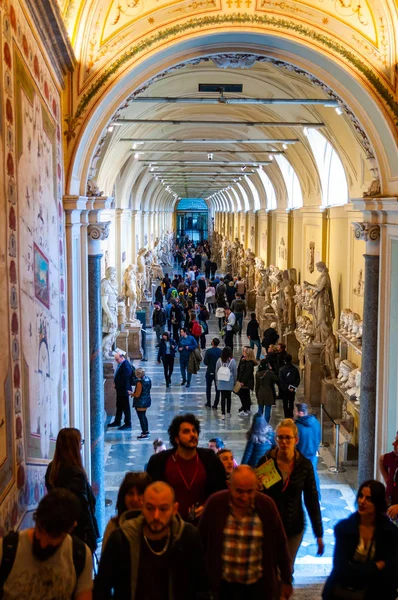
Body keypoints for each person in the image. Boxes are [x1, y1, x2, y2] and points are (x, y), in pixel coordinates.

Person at [94, 482, 211, 600]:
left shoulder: (188, 537)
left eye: (163, 509)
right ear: (142, 506)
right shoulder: (121, 539)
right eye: (150, 508)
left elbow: (201, 588)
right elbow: (102, 589)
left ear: (175, 509)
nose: (156, 516)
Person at [199, 466, 293, 600]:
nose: (245, 497)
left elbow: (281, 545)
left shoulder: (267, 506)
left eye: (250, 491)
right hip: (223, 588)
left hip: (258, 588)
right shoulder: (215, 504)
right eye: (239, 491)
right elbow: (200, 543)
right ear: (229, 486)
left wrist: (286, 580)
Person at [0, 489, 93, 600]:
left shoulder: (79, 555)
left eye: (54, 537)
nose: (43, 543)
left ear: (71, 528)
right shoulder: (6, 550)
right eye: (40, 531)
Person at [257, 418, 324, 570]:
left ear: (296, 440)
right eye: (280, 437)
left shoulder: (304, 465)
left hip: (293, 526)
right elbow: (257, 496)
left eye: (288, 437)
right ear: (276, 439)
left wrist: (318, 533)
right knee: (270, 568)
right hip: (269, 526)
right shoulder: (266, 461)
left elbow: (311, 500)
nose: (284, 441)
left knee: (287, 568)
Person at [322, 480, 398, 600]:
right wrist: (375, 567)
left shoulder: (390, 532)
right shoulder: (344, 529)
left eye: (368, 499)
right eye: (361, 496)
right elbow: (341, 569)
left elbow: (390, 569)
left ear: (377, 503)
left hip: (376, 593)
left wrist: (356, 570)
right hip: (344, 593)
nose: (362, 501)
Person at [146, 413, 226, 522]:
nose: (192, 435)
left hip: (203, 524)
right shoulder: (159, 462)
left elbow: (221, 492)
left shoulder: (210, 460)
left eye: (194, 431)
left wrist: (207, 506)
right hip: (170, 524)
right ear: (176, 439)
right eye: (186, 432)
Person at [45, 428, 99, 552]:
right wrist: (92, 538)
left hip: (58, 530)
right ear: (74, 445)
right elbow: (83, 508)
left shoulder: (51, 469)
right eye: (80, 442)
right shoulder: (75, 472)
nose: (81, 446)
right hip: (78, 534)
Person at [103, 471, 152, 548]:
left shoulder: (155, 527)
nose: (135, 499)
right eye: (130, 493)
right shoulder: (113, 526)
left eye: (140, 493)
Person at [295, 402, 322, 498]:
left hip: (301, 455)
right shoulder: (316, 422)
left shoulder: (297, 426)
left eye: (296, 411)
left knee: (298, 478)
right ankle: (317, 496)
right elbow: (319, 437)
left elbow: (296, 442)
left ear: (300, 413)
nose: (295, 412)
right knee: (313, 475)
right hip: (313, 453)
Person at [108, 350, 133, 430]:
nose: (116, 361)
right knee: (119, 406)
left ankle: (128, 423)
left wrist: (117, 384)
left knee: (126, 407)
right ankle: (117, 421)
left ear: (122, 358)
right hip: (120, 389)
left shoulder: (125, 366)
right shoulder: (122, 364)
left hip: (124, 390)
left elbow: (125, 380)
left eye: (117, 359)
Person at [128, 367, 152, 439]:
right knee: (144, 416)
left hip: (141, 402)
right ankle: (146, 431)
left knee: (141, 417)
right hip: (147, 399)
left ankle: (144, 433)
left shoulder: (139, 383)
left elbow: (137, 394)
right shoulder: (148, 379)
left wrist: (131, 393)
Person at [215, 346, 237, 419]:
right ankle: (228, 412)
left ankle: (223, 413)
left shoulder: (219, 361)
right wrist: (234, 382)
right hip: (229, 381)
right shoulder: (232, 361)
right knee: (229, 397)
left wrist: (216, 381)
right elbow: (234, 372)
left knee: (223, 397)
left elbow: (216, 371)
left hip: (221, 381)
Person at [236, 347, 257, 416]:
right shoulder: (244, 361)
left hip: (245, 383)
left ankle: (245, 409)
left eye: (244, 352)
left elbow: (247, 374)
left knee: (244, 396)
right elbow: (239, 369)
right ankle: (246, 408)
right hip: (242, 381)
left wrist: (243, 382)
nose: (243, 353)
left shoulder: (249, 363)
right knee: (245, 395)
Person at [379, 430, 398, 505]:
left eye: (397, 442)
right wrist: (387, 480)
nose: (393, 444)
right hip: (390, 502)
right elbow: (381, 459)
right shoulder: (393, 456)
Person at [204, 337, 222, 408]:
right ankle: (215, 404)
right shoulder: (220, 351)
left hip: (210, 371)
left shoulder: (208, 351)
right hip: (218, 372)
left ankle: (208, 402)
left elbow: (205, 362)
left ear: (213, 343)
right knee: (217, 388)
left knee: (208, 387)